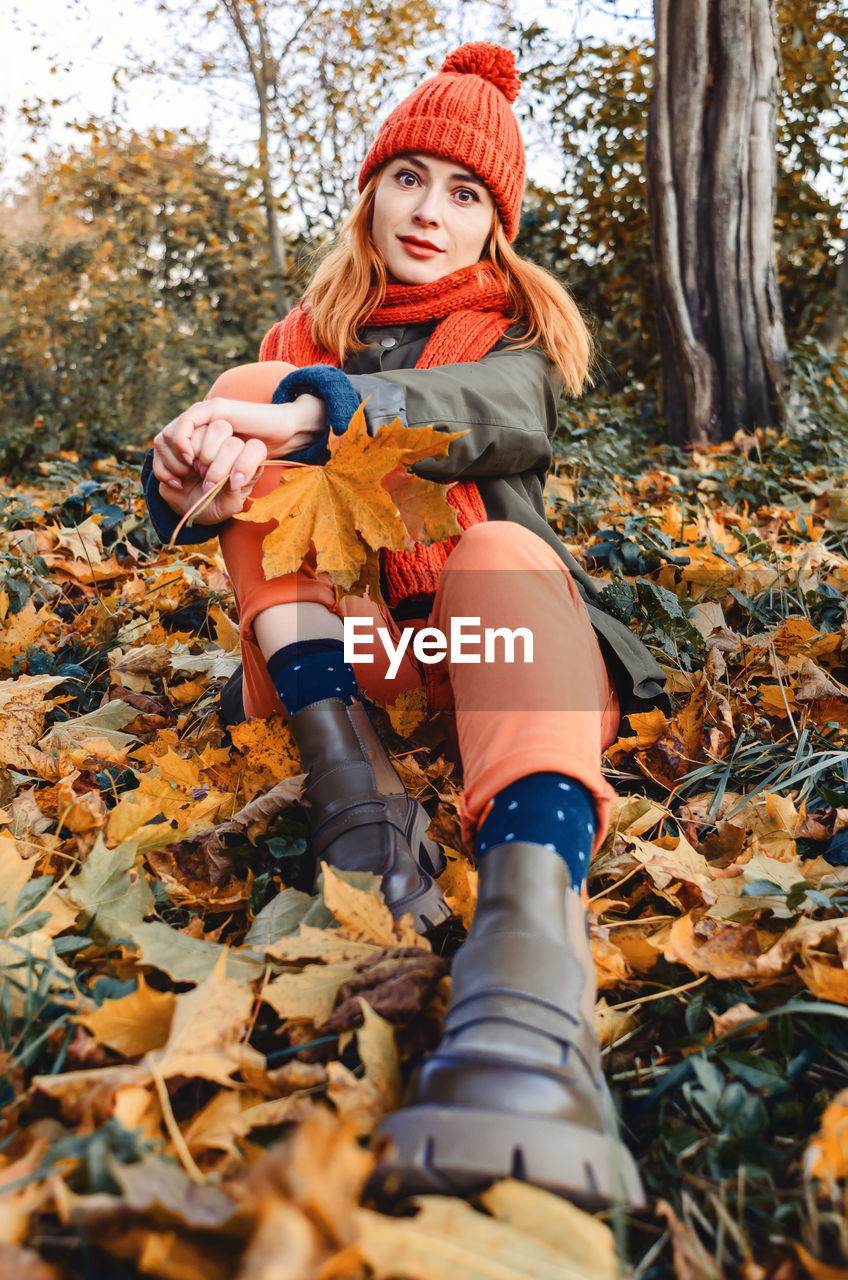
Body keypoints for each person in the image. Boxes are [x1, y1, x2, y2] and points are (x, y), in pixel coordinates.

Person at [143, 42, 667, 1206]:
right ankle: (359, 803)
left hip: (498, 653)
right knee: (239, 389)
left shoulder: (515, 349)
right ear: (371, 189)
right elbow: (242, 471)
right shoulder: (301, 334)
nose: (430, 211)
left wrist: (310, 414)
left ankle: (531, 958)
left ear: (496, 225)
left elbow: (468, 418)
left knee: (491, 543)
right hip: (363, 666)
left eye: (464, 192)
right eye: (408, 177)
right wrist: (189, 464)